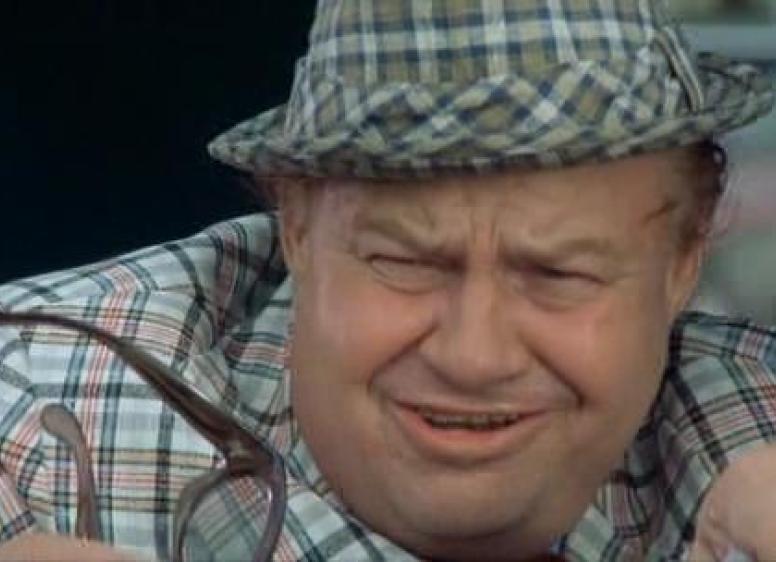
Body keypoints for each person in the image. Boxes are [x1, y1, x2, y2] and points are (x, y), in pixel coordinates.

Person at [0, 0, 775, 560]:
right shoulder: (35, 417)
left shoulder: (748, 430)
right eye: (405, 262)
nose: (474, 357)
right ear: (296, 229)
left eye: (557, 273)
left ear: (684, 260)